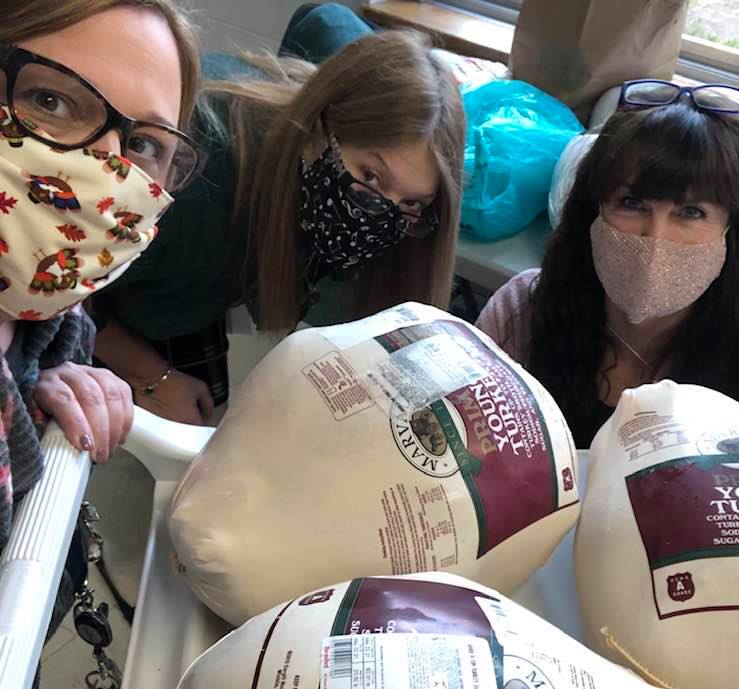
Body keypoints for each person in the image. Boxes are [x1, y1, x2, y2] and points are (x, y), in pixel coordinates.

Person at [91, 6, 466, 425]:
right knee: (189, 426)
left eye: (412, 203)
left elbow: (323, 15)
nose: (380, 215)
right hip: (89, 293)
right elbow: (68, 296)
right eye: (372, 175)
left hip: (189, 288)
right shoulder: (190, 184)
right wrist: (153, 377)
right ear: (320, 130)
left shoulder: (338, 175)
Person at [1, 0, 202, 689]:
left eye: (145, 145)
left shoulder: (49, 312)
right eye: (52, 101)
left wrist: (34, 386)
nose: (105, 174)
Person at [476, 80, 739, 448]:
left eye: (691, 212)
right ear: (594, 210)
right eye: (633, 204)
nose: (656, 236)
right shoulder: (521, 312)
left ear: (732, 228)